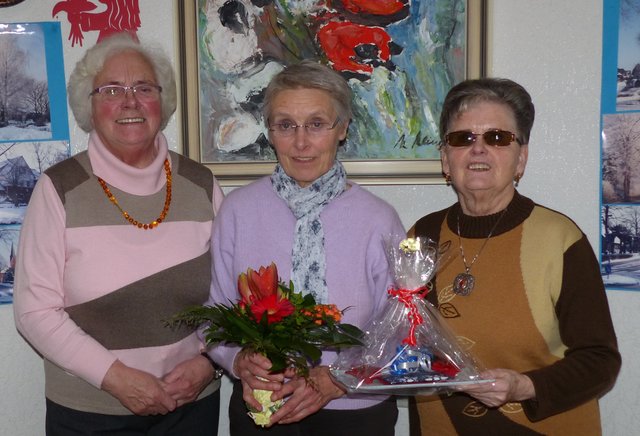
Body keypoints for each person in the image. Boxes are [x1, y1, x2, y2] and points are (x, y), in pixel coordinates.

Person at [13, 33, 224, 435]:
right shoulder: (58, 188)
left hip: (190, 407)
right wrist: (117, 378)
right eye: (111, 89)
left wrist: (209, 361)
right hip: (88, 412)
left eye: (143, 88)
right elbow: (34, 311)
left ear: (161, 103)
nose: (130, 101)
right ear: (89, 107)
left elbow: (234, 293)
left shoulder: (201, 184)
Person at [408, 78, 621, 435]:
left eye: (497, 138)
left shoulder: (560, 238)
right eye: (463, 138)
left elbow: (600, 361)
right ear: (445, 158)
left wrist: (525, 386)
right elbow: (407, 342)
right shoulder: (420, 236)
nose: (478, 150)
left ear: (521, 157)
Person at [205, 60, 405, 435]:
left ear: (342, 129)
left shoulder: (379, 220)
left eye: (316, 124)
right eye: (285, 125)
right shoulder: (237, 211)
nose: (301, 142)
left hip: (356, 411)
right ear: (270, 131)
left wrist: (337, 378)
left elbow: (397, 329)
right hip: (264, 405)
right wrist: (238, 360)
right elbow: (213, 314)